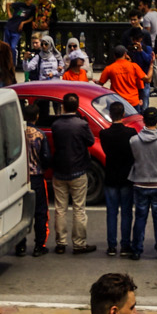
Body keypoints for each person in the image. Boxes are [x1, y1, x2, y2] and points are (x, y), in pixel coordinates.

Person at [50, 92, 97, 255]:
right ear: (77, 107)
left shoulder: (56, 124)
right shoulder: (81, 125)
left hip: (59, 169)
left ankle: (60, 242)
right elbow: (90, 141)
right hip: (78, 169)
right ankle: (78, 243)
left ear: (63, 106)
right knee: (79, 208)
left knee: (60, 209)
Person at [129, 107, 157, 261]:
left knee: (140, 217)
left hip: (140, 181)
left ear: (144, 121)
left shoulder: (134, 140)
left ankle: (136, 249)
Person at [100, 101, 140, 259]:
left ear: (110, 115)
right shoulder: (130, 133)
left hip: (110, 175)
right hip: (126, 176)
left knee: (111, 212)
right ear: (123, 115)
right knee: (126, 212)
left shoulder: (104, 134)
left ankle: (111, 245)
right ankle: (125, 244)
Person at [17, 99, 53, 257]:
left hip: (19, 178)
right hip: (37, 176)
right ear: (37, 117)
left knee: (20, 213)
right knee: (40, 212)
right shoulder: (40, 134)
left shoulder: (17, 132)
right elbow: (46, 157)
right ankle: (39, 245)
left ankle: (20, 245)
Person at [100, 45, 148, 111]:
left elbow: (100, 84)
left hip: (118, 102)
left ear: (114, 56)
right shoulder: (134, 66)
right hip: (133, 102)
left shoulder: (109, 68)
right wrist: (151, 65)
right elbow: (145, 81)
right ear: (125, 54)